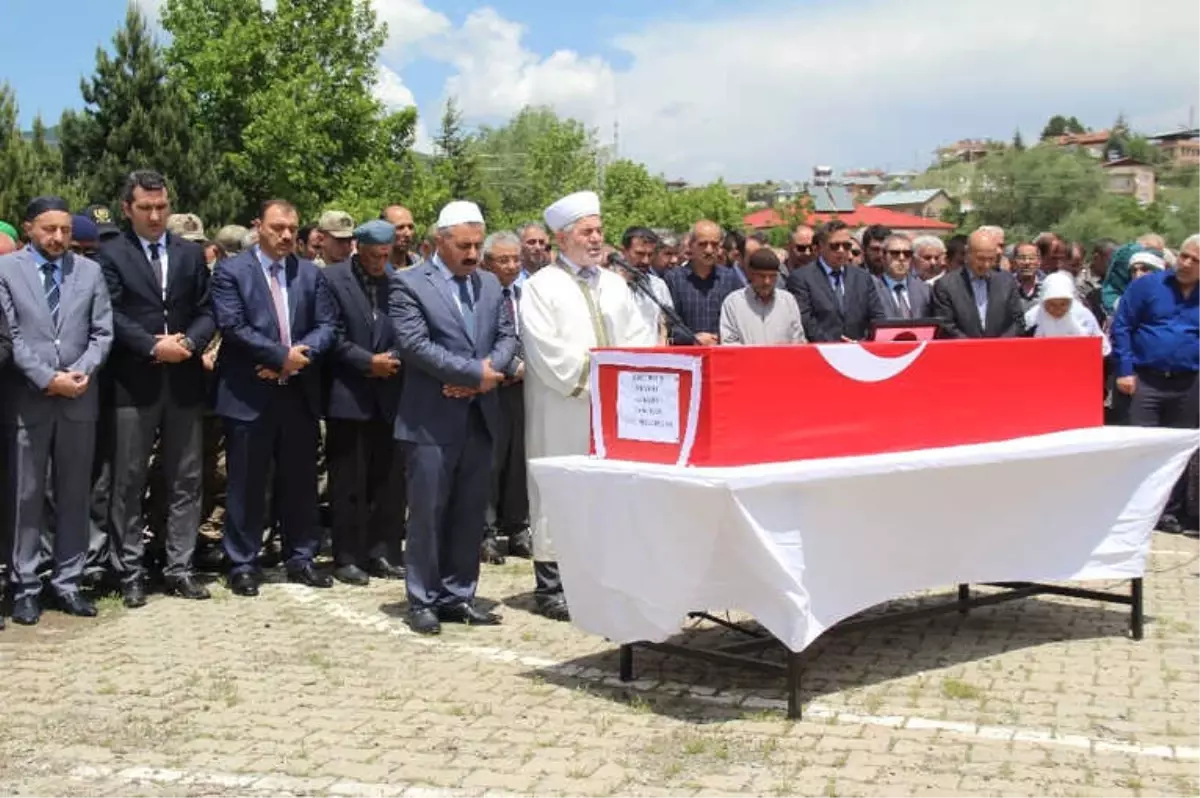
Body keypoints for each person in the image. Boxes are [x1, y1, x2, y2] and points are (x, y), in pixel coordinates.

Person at [521, 191, 654, 622]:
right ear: (563, 238)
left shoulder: (616, 284)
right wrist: (598, 382)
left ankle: (603, 576)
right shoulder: (541, 287)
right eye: (587, 232)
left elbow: (639, 340)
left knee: (606, 491)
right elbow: (548, 353)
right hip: (563, 407)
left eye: (599, 231)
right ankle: (552, 584)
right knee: (558, 487)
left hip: (615, 412)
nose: (597, 239)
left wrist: (629, 385)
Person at [390, 201, 517, 635]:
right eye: (463, 245)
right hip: (430, 420)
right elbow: (413, 344)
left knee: (468, 512)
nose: (472, 254)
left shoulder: (489, 284)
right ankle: (422, 599)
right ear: (440, 242)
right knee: (427, 512)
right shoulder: (408, 284)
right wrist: (472, 373)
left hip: (479, 416)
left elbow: (506, 337)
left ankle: (458, 594)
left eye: (478, 245)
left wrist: (484, 376)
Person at [98, 169, 216, 606]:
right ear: (127, 209)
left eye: (161, 207)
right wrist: (151, 345)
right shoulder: (111, 255)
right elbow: (108, 312)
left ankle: (179, 567)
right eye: (145, 208)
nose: (154, 215)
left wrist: (190, 341)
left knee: (186, 478)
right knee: (129, 480)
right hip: (134, 382)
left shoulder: (188, 255)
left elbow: (208, 309)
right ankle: (128, 570)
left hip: (183, 380)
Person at [210, 199, 337, 597]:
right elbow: (232, 325)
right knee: (247, 484)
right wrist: (279, 356)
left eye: (292, 229)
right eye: (277, 227)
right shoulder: (231, 271)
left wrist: (297, 360)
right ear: (258, 227)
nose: (286, 235)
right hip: (249, 394)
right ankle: (243, 562)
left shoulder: (310, 275)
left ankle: (301, 557)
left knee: (300, 482)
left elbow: (327, 325)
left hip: (297, 395)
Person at [0, 197, 113, 625]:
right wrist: (48, 378)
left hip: (79, 398)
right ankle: (25, 585)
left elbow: (103, 332)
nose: (59, 237)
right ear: (29, 228)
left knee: (73, 493)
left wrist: (79, 373)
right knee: (26, 496)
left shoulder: (90, 272)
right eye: (49, 229)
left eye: (65, 230)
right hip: (29, 398)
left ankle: (68, 581)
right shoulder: (6, 271)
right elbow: (9, 334)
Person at [323, 220, 407, 585]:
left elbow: (409, 328)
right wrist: (366, 362)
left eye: (386, 256)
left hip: (389, 394)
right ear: (358, 248)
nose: (380, 262)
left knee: (386, 479)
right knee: (348, 480)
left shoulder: (398, 281)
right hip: (349, 394)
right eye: (374, 256)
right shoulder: (332, 279)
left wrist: (394, 356)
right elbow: (330, 333)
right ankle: (347, 556)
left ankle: (383, 551)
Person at [1110, 234, 1200, 535]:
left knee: (1179, 451)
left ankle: (1169, 512)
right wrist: (1125, 370)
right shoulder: (1147, 286)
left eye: (1194, 260)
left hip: (1188, 383)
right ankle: (1134, 509)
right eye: (1184, 256)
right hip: (1144, 380)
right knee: (1141, 447)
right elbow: (1122, 326)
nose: (1185, 263)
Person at [479, 231, 531, 563]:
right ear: (487, 262)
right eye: (503, 259)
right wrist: (511, 364)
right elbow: (484, 336)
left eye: (515, 259)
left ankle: (518, 528)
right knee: (489, 461)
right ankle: (485, 531)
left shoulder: (526, 293)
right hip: (490, 385)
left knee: (518, 460)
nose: (511, 266)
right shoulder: (480, 293)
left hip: (524, 388)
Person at [787, 219, 883, 342]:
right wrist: (835, 343)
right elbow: (805, 321)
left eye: (846, 246)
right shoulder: (801, 278)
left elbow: (877, 316)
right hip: (822, 352)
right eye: (835, 246)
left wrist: (867, 341)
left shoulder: (862, 277)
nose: (842, 250)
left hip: (860, 351)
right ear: (821, 247)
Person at [931, 229, 1025, 338]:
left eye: (991, 259)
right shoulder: (946, 285)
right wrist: (975, 348)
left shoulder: (1006, 281)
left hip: (1000, 351)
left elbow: (1017, 321)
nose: (986, 265)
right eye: (981, 259)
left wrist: (999, 345)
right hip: (963, 351)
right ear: (967, 253)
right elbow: (945, 325)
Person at [664, 220, 741, 345]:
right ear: (690, 245)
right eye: (703, 244)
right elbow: (668, 324)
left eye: (714, 244)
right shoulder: (673, 279)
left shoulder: (731, 279)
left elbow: (738, 320)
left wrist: (720, 337)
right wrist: (692, 339)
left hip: (722, 354)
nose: (709, 250)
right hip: (687, 357)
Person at [719, 248, 805, 345]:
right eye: (762, 276)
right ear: (751, 274)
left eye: (772, 276)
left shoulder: (788, 301)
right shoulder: (733, 303)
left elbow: (798, 339)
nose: (767, 282)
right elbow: (729, 342)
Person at [1024, 271, 1109, 355]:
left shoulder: (1083, 316)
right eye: (1052, 304)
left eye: (1063, 304)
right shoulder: (1032, 319)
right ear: (1043, 302)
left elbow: (1102, 348)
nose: (1058, 309)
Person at [621, 226, 674, 344]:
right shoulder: (609, 285)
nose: (645, 261)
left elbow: (664, 324)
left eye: (650, 255)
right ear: (624, 251)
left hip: (652, 357)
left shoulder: (658, 286)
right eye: (639, 254)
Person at [874, 234, 932, 320]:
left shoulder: (925, 291)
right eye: (895, 253)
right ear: (883, 257)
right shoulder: (873, 290)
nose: (901, 258)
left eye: (907, 254)